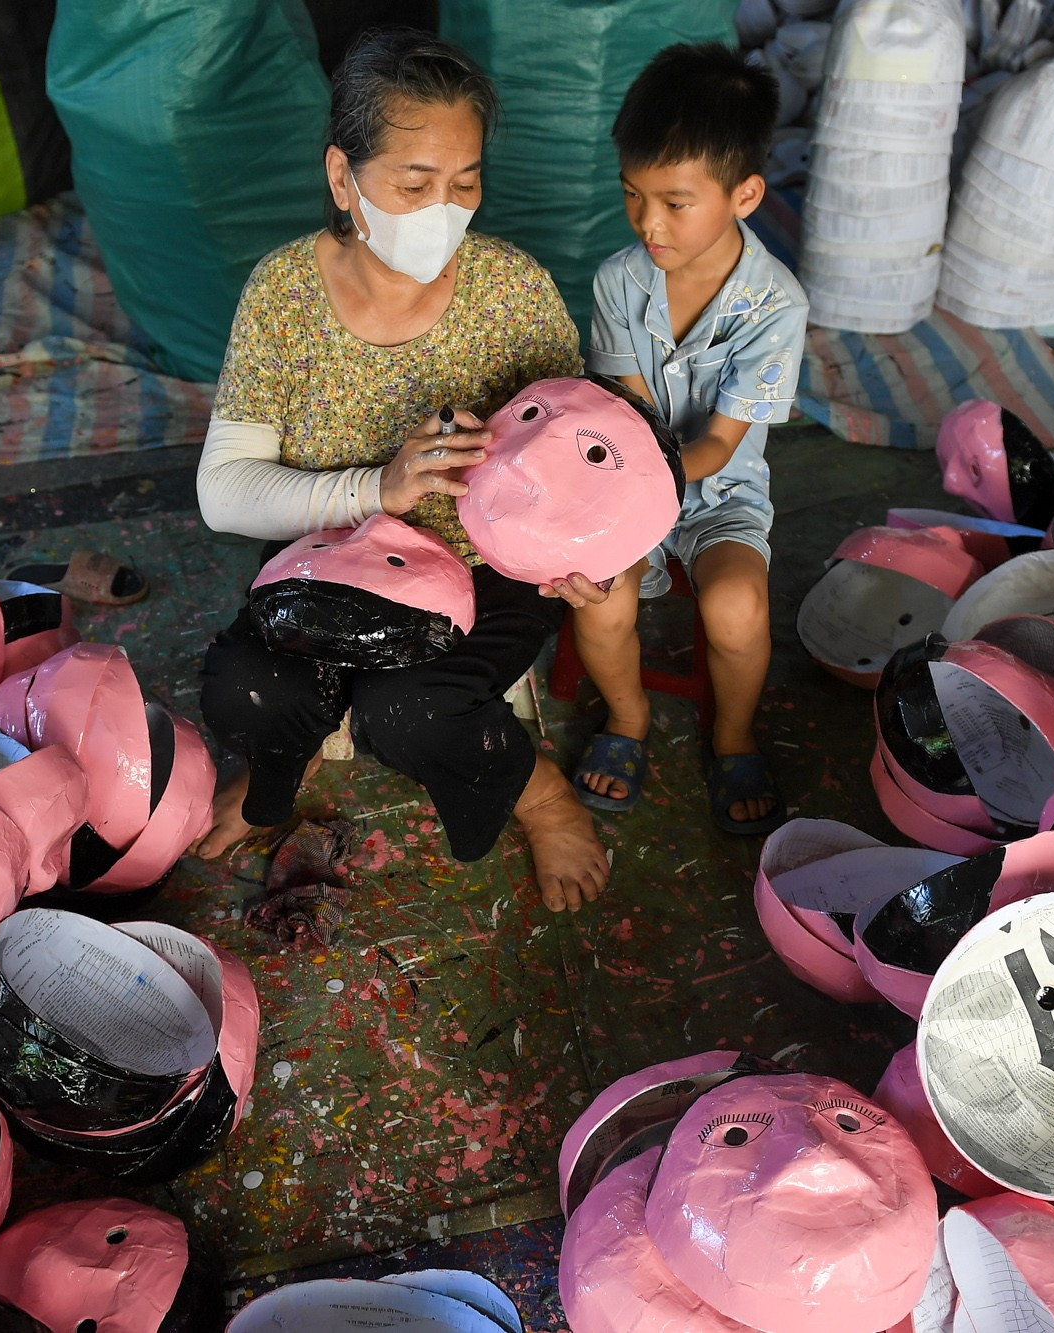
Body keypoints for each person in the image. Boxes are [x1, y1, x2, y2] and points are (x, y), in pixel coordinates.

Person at [188, 28, 609, 913]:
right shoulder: (283, 296)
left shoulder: (513, 293)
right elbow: (224, 490)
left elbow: (583, 457)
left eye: (465, 184)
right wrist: (376, 488)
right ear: (344, 178)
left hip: (486, 566)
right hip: (331, 563)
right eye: (414, 186)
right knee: (248, 690)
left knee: (410, 712)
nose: (444, 213)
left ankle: (538, 792)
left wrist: (588, 550)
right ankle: (271, 779)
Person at [554, 43, 808, 837]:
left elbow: (722, 444)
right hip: (627, 481)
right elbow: (621, 417)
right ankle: (628, 719)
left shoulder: (774, 305)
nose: (648, 224)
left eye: (674, 201)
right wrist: (614, 522)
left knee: (737, 606)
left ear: (745, 194)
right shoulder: (616, 284)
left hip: (719, 486)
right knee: (599, 597)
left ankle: (731, 736)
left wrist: (652, 500)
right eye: (633, 196)